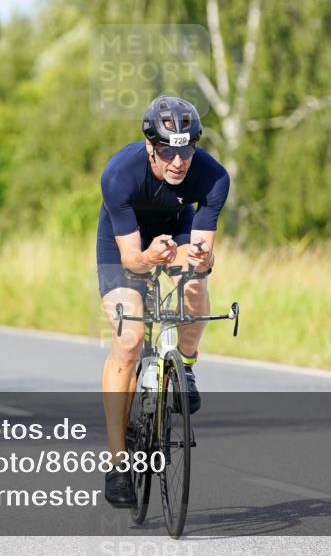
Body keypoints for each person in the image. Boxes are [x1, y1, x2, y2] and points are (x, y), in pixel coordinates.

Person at [97, 95, 230, 508]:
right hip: (124, 244)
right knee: (130, 339)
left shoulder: (213, 177)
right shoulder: (120, 174)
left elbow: (203, 253)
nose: (178, 161)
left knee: (194, 282)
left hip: (178, 227)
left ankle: (185, 366)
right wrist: (149, 257)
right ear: (151, 146)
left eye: (186, 150)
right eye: (169, 151)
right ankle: (119, 463)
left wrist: (199, 258)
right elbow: (133, 259)